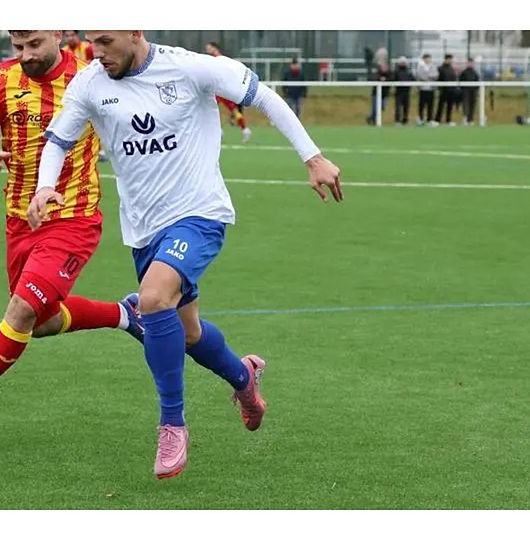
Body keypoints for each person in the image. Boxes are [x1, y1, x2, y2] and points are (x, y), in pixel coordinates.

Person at [31, 31, 342, 479]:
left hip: (200, 214)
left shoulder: (191, 67)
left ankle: (172, 425)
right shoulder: (90, 83)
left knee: (153, 298)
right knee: (188, 333)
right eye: (91, 41)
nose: (96, 52)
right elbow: (59, 140)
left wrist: (313, 158)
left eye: (105, 41)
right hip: (142, 231)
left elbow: (265, 97)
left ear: (134, 32)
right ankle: (243, 379)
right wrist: (46, 186)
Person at [0, 30, 144, 435]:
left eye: (34, 45)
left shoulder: (91, 79)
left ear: (58, 34)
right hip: (19, 221)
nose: (25, 56)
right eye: (18, 47)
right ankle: (123, 314)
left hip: (73, 217)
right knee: (38, 323)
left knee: (21, 311)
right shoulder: (3, 80)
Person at [205, 41, 251, 142]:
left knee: (233, 110)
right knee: (209, 108)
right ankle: (219, 131)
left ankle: (245, 130)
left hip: (222, 89)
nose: (207, 50)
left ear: (214, 48)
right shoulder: (211, 59)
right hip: (216, 89)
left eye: (209, 48)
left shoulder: (219, 59)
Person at [435, 54, 457, 126]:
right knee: (441, 105)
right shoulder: (440, 68)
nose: (450, 61)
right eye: (449, 59)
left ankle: (448, 120)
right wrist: (440, 88)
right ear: (445, 59)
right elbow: (438, 79)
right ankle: (437, 120)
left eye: (451, 59)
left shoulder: (452, 69)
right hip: (443, 90)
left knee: (450, 106)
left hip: (451, 90)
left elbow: (454, 79)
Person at [415, 53, 437, 125]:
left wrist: (428, 76)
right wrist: (428, 77)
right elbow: (420, 75)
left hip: (431, 89)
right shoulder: (420, 67)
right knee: (422, 105)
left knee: (430, 105)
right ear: (424, 59)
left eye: (429, 58)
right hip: (423, 89)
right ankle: (420, 119)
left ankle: (430, 119)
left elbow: (435, 75)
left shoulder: (433, 66)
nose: (428, 60)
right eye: (426, 58)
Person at [393, 56, 414, 125]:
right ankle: (397, 121)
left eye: (404, 62)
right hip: (399, 92)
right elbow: (393, 80)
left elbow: (413, 79)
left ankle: (405, 120)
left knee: (406, 107)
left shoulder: (409, 72)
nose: (403, 64)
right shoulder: (396, 71)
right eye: (402, 62)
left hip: (407, 92)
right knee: (398, 107)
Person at [458, 58, 479, 126]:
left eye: (471, 63)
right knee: (465, 105)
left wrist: (475, 89)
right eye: (468, 63)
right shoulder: (464, 72)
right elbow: (460, 81)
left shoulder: (475, 72)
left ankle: (471, 119)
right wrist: (463, 89)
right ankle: (465, 118)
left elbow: (477, 81)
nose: (470, 64)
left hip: (473, 91)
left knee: (472, 105)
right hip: (465, 91)